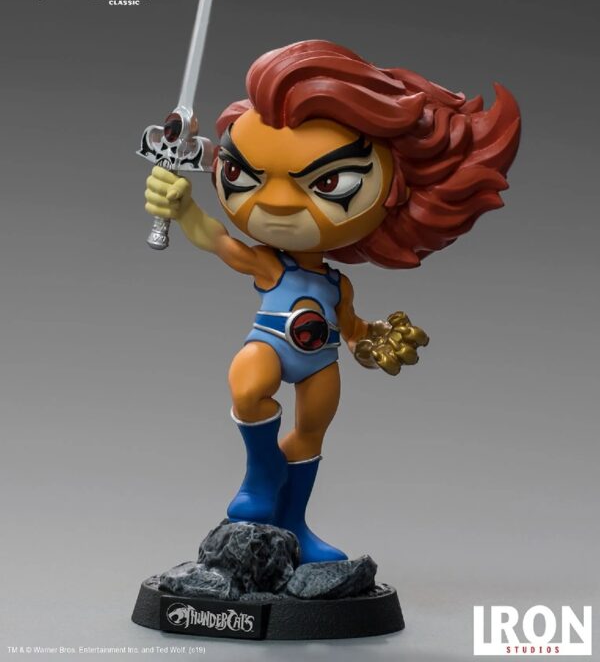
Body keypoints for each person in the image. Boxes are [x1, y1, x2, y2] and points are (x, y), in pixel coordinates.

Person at [144, 40, 520, 563]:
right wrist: (184, 210)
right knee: (247, 384)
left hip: (321, 360)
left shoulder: (339, 285)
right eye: (241, 175)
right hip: (272, 343)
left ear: (396, 191)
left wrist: (370, 340)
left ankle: (294, 524)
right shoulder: (272, 267)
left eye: (329, 181)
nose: (277, 202)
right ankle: (261, 472)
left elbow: (350, 324)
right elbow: (219, 241)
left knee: (310, 433)